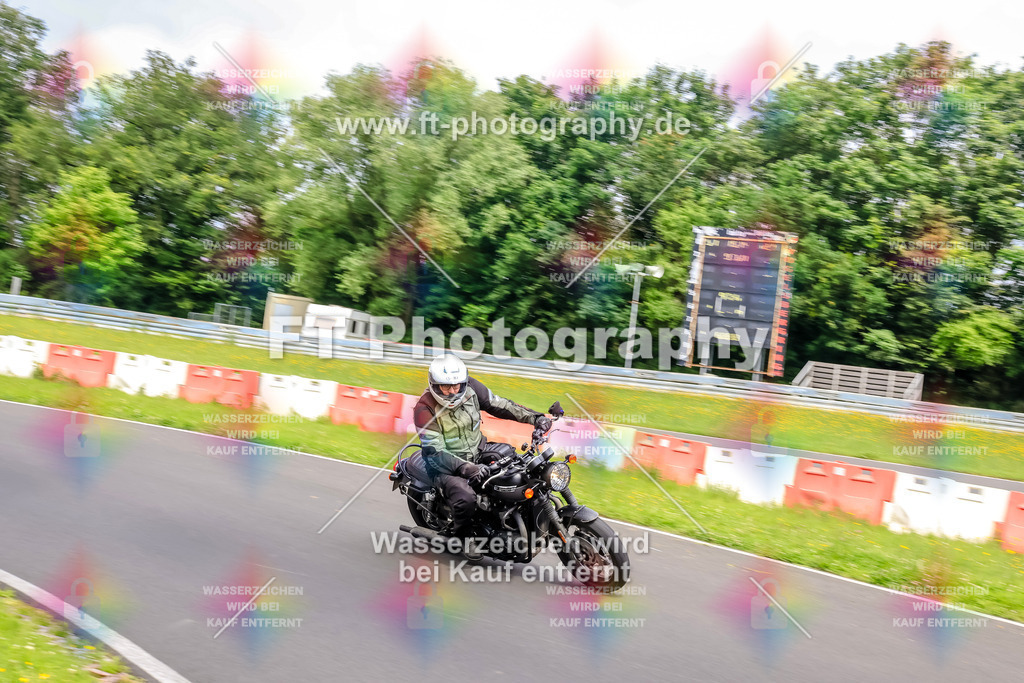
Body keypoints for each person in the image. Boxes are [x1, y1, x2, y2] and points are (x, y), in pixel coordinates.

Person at [413, 354, 552, 536]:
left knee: (517, 467)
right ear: (434, 384)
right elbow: (434, 453)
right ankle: (461, 538)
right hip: (443, 466)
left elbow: (500, 405)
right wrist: (465, 468)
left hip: (477, 449)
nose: (453, 392)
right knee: (466, 498)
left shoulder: (470, 386)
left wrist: (535, 418)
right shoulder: (424, 408)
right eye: (446, 387)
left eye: (456, 386)